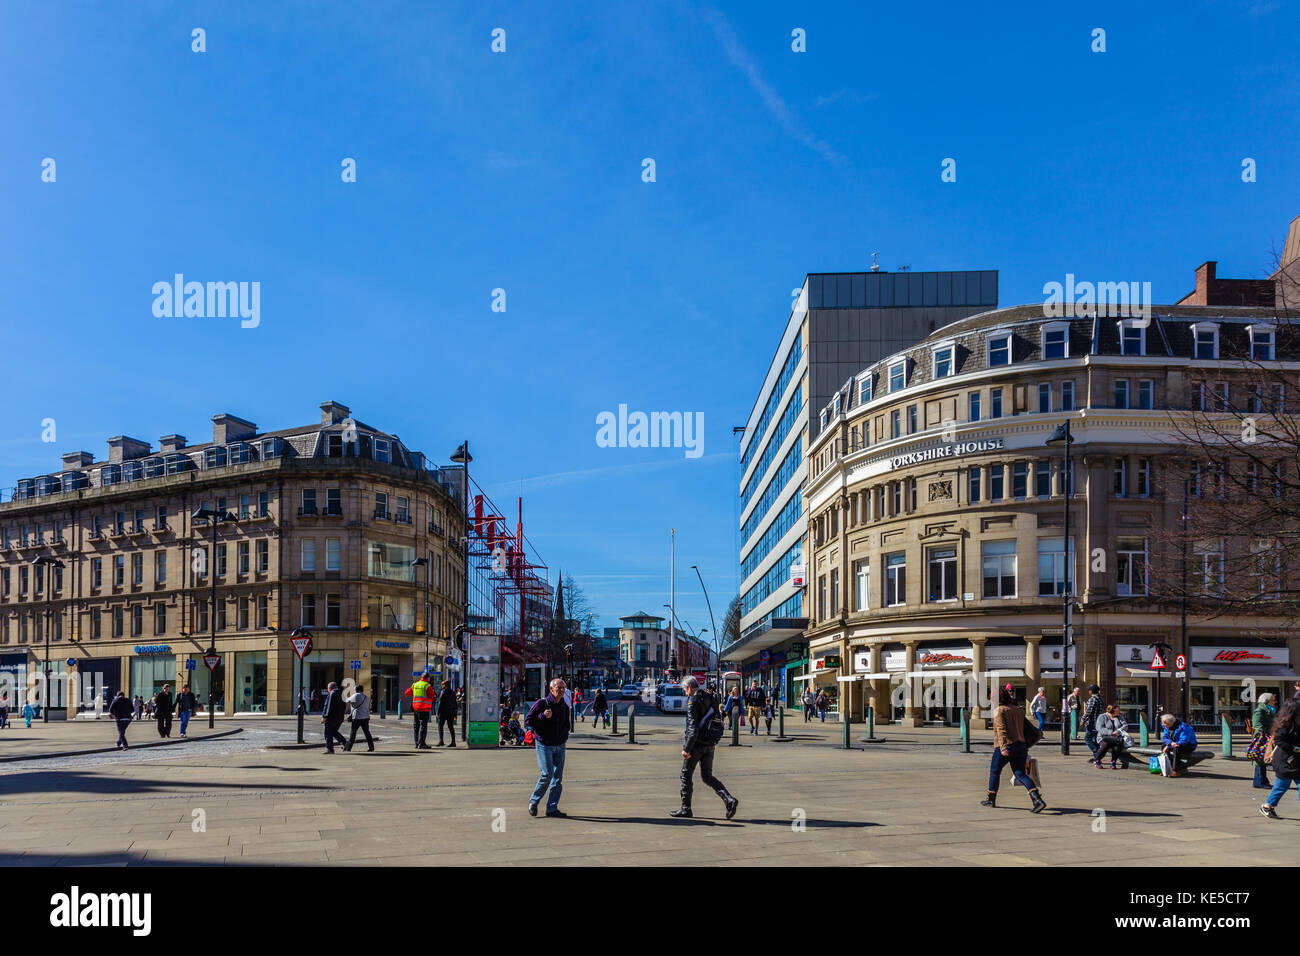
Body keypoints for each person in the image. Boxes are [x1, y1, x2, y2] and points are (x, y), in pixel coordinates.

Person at [672, 675, 738, 819]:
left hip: (697, 745)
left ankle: (686, 808)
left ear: (689, 687)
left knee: (685, 775)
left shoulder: (693, 700)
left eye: (685, 690)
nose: (685, 693)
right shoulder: (710, 697)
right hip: (710, 743)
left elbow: (692, 727)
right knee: (707, 776)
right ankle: (729, 799)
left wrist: (687, 748)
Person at [981, 687, 1047, 811]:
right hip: (1021, 746)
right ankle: (1037, 800)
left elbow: (1001, 730)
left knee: (995, 771)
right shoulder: (1017, 709)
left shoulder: (999, 710)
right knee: (1020, 774)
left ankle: (991, 799)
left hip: (1007, 746)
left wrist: (1003, 748)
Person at [526, 678, 570, 818]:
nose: (561, 690)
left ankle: (552, 808)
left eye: (563, 687)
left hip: (560, 745)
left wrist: (564, 737)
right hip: (544, 744)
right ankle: (533, 801)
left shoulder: (564, 706)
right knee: (547, 774)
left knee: (557, 778)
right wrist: (542, 716)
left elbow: (566, 725)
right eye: (558, 687)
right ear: (551, 689)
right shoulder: (542, 703)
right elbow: (528, 721)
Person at [1260, 699, 1300, 818]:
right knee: (1281, 785)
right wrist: (1296, 749)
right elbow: (1279, 741)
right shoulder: (1285, 724)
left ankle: (1268, 806)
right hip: (1285, 761)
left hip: (1296, 761)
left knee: (1283, 785)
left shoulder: (1297, 723)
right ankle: (1267, 806)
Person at [1251, 693, 1277, 789]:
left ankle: (1263, 781)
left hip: (1268, 737)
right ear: (1267, 701)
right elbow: (1257, 725)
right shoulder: (1260, 710)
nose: (1275, 702)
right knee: (1260, 760)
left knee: (1264, 760)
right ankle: (1259, 782)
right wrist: (1264, 735)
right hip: (1262, 738)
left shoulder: (1270, 710)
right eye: (1273, 700)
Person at [1092, 704, 1131, 770]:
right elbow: (1099, 728)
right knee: (1106, 744)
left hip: (1116, 738)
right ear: (1113, 710)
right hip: (1104, 737)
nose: (1119, 711)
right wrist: (1111, 733)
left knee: (1118, 745)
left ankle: (1113, 762)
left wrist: (1118, 731)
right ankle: (1097, 761)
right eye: (1118, 710)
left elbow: (1125, 726)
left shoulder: (1119, 717)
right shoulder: (1102, 716)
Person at [404, 672, 435, 750]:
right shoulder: (427, 686)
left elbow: (407, 693)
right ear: (428, 678)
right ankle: (422, 744)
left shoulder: (415, 685)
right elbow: (431, 696)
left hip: (416, 709)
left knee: (416, 726)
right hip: (424, 709)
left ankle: (417, 743)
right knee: (423, 726)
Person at [320, 681, 348, 754]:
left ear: (330, 688)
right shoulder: (342, 693)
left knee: (328, 733)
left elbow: (328, 706)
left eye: (328, 689)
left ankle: (330, 749)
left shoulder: (332, 694)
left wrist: (325, 716)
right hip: (339, 718)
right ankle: (344, 742)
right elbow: (344, 706)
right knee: (333, 732)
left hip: (331, 718)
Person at [345, 683, 375, 752]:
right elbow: (370, 707)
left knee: (353, 733)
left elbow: (347, 700)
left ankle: (349, 748)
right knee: (367, 733)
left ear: (356, 689)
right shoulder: (366, 697)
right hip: (365, 717)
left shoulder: (354, 696)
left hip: (356, 717)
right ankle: (371, 747)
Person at [1081, 685, 1103, 755]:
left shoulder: (1092, 699)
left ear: (1091, 691)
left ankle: (1097, 753)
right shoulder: (1100, 699)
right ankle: (1096, 758)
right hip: (1098, 723)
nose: (1088, 691)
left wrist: (1083, 720)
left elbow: (1089, 712)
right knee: (1095, 740)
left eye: (1089, 690)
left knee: (1087, 739)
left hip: (1092, 723)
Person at [436, 679, 458, 747]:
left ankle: (441, 741)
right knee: (451, 727)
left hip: (443, 712)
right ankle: (453, 742)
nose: (441, 686)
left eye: (442, 684)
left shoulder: (443, 692)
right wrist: (455, 714)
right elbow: (455, 704)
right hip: (451, 712)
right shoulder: (453, 692)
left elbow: (441, 703)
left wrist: (437, 712)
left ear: (444, 685)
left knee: (440, 726)